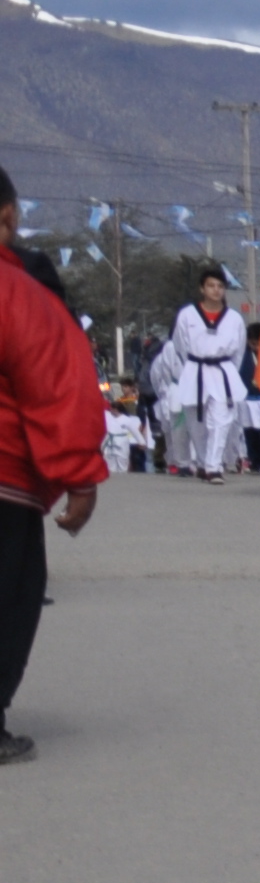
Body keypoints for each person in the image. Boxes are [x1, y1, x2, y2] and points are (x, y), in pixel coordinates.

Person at [0, 205, 110, 768]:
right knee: (11, 596)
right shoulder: (20, 295)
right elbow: (55, 387)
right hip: (6, 478)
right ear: (9, 216)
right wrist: (80, 476)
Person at [166, 266, 249, 479]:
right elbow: (179, 344)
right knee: (197, 424)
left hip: (223, 371)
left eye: (220, 286)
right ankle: (203, 462)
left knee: (222, 420)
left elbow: (239, 351)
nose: (216, 290)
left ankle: (214, 466)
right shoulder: (187, 314)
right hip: (195, 368)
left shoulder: (234, 318)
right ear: (202, 289)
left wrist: (229, 371)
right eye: (211, 285)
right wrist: (193, 364)